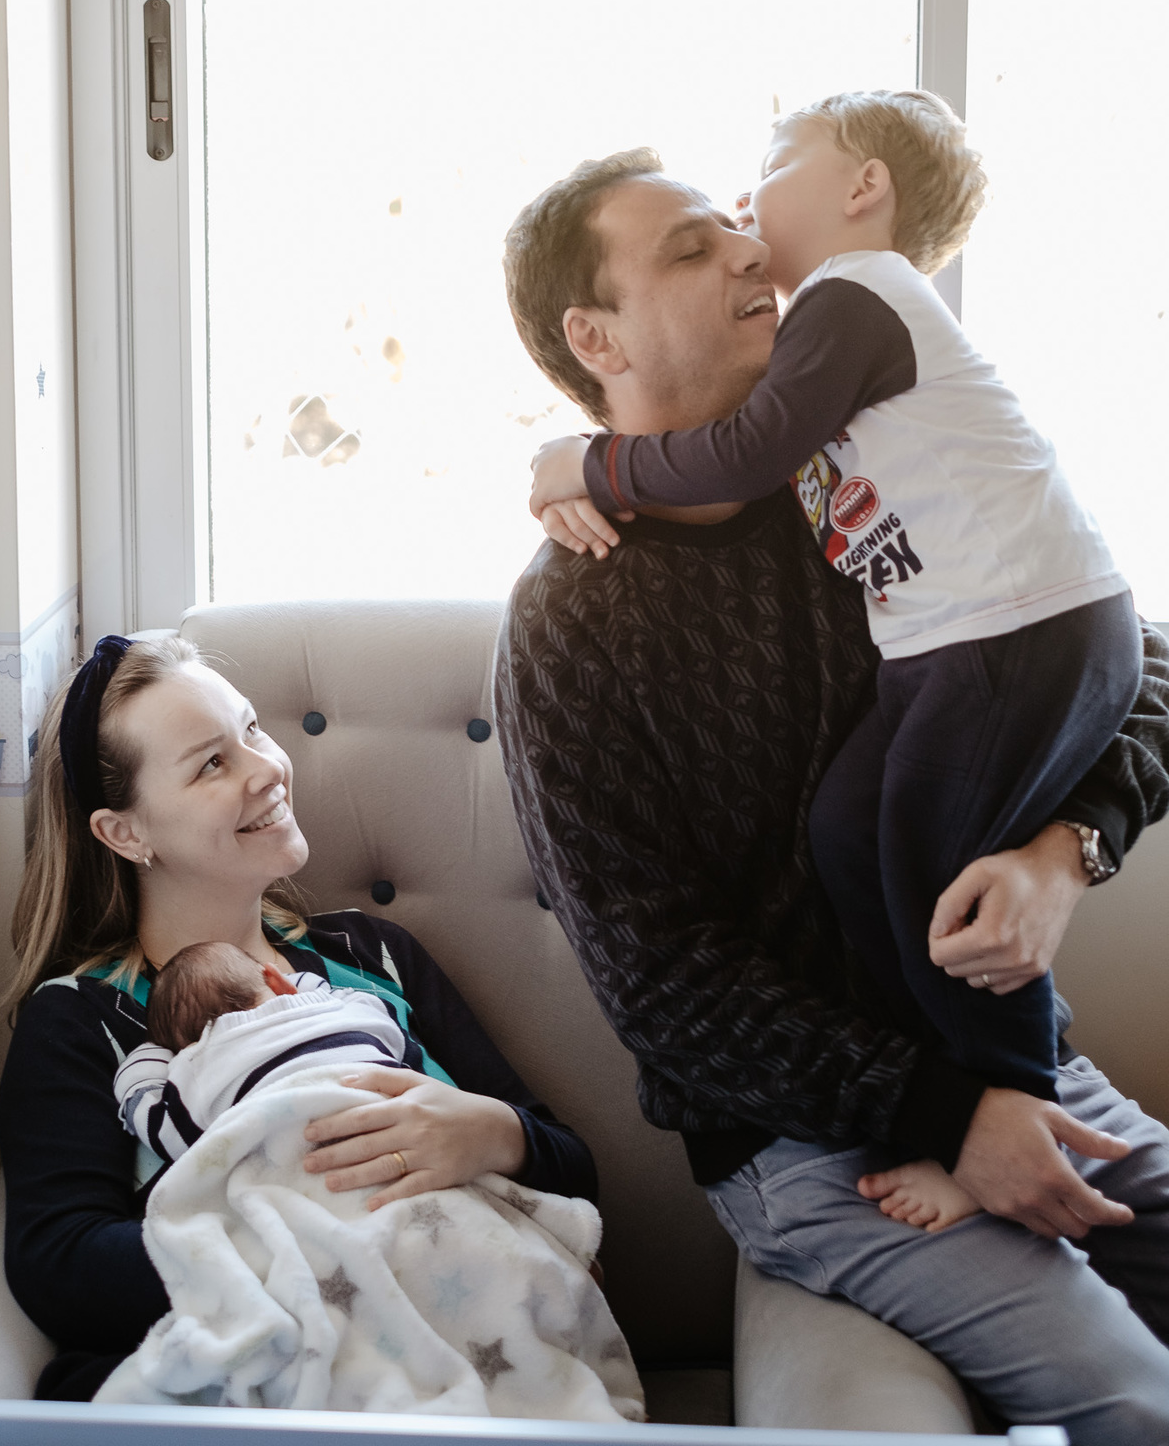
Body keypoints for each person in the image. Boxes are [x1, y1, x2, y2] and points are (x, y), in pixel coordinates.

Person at [494, 146, 1169, 1440]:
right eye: (691, 249)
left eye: (737, 228)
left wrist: (1064, 853)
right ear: (597, 337)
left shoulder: (870, 478)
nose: (752, 251)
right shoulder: (569, 624)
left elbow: (1138, 663)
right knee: (1140, 1401)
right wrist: (948, 1118)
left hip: (1020, 1064)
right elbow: (664, 985)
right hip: (811, 1148)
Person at [0, 634, 596, 1402]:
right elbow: (61, 1267)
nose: (266, 769)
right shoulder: (83, 1021)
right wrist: (323, 1238)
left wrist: (491, 1134)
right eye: (212, 764)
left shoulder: (374, 957)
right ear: (126, 833)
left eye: (251, 729)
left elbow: (572, 1169)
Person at [116, 941, 412, 1160]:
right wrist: (297, 988)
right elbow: (387, 1025)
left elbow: (167, 1136)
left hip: (312, 1179)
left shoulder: (201, 1072)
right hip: (406, 1139)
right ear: (277, 980)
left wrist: (149, 1058)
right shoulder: (342, 1011)